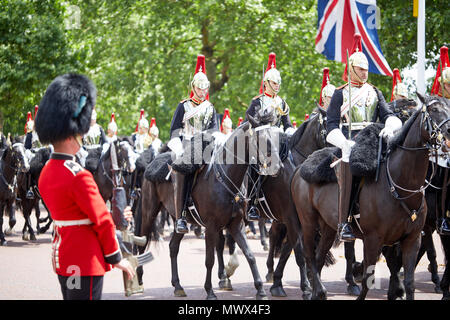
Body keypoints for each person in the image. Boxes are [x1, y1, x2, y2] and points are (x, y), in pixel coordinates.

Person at [35, 73, 134, 300]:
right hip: (84, 260)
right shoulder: (78, 176)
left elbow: (76, 212)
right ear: (72, 135)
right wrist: (116, 257)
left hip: (64, 258)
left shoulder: (47, 172)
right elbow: (101, 221)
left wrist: (114, 213)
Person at [326, 33, 402, 242]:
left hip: (374, 141)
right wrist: (343, 142)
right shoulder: (340, 94)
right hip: (350, 142)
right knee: (350, 163)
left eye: (367, 69)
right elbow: (330, 125)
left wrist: (390, 127)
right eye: (361, 69)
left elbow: (389, 116)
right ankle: (344, 223)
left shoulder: (375, 92)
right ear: (351, 69)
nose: (365, 73)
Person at [168, 54, 217, 233]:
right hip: (187, 146)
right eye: (200, 88)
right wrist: (179, 150)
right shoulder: (184, 106)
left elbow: (214, 131)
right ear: (193, 87)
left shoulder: (210, 108)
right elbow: (174, 131)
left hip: (206, 145)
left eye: (205, 88)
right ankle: (180, 217)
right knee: (183, 171)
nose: (203, 91)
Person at [245, 52, 295, 221]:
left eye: (279, 83)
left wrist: (290, 132)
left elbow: (287, 124)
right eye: (274, 82)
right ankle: (252, 203)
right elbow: (249, 124)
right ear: (266, 83)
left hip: (279, 142)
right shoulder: (257, 101)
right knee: (254, 165)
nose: (277, 85)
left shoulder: (282, 103)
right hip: (261, 143)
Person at [430, 46, 450, 234]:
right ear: (442, 85)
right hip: (441, 149)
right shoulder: (436, 103)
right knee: (444, 173)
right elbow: (434, 129)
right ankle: (442, 217)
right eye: (448, 85)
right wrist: (443, 140)